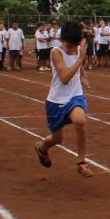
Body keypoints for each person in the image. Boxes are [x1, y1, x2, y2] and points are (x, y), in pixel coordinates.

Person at [33, 21, 93, 178]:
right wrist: (80, 59)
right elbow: (65, 78)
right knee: (57, 139)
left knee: (80, 121)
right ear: (63, 39)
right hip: (56, 100)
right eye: (70, 45)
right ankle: (42, 148)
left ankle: (82, 162)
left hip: (75, 95)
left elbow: (79, 67)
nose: (73, 48)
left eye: (75, 44)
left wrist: (84, 78)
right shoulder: (56, 52)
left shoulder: (78, 49)